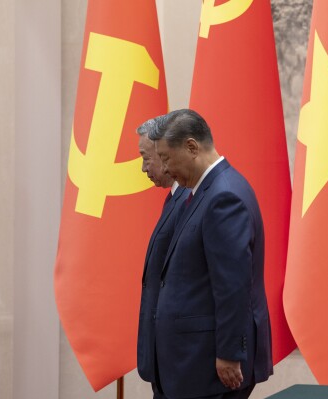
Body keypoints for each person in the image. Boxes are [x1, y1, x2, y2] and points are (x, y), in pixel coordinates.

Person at [148, 109, 273, 399]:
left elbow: (232, 285)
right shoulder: (204, 192)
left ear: (192, 147)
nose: (165, 169)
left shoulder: (223, 196)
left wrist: (230, 353)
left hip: (209, 365)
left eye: (166, 158)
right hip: (192, 361)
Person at [136, 117, 189, 399]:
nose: (144, 167)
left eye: (146, 157)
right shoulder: (175, 197)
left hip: (180, 358)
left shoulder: (190, 200)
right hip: (166, 357)